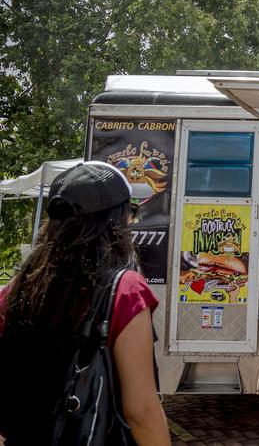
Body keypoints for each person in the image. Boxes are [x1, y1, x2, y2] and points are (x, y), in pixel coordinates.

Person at [0, 161, 171, 445]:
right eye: (131, 212)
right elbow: (142, 414)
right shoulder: (125, 290)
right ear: (113, 220)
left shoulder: (16, 289)